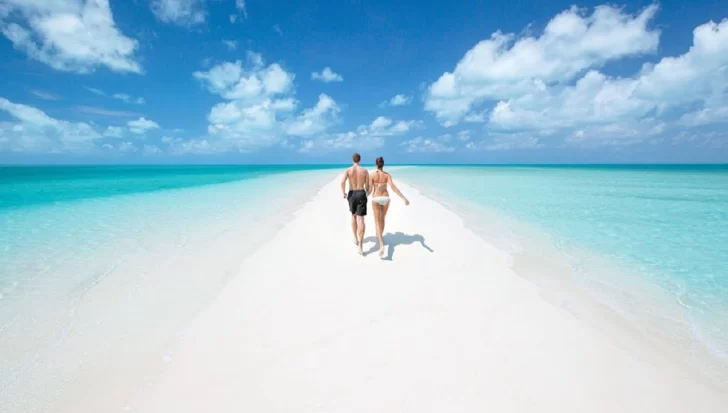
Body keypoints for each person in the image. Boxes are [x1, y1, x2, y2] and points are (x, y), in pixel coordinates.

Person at [368, 156, 409, 258]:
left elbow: (369, 190)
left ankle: (381, 244)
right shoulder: (387, 175)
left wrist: (363, 197)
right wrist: (403, 198)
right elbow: (393, 187)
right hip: (386, 198)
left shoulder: (372, 175)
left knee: (377, 222)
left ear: (376, 164)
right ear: (383, 164)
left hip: (376, 198)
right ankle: (380, 236)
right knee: (382, 219)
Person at [340, 152, 370, 255]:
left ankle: (355, 238)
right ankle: (360, 247)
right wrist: (366, 193)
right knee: (360, 219)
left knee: (353, 216)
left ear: (353, 160)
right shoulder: (364, 171)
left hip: (352, 193)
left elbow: (342, 182)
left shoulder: (348, 170)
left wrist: (343, 192)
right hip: (361, 192)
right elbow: (368, 186)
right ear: (360, 160)